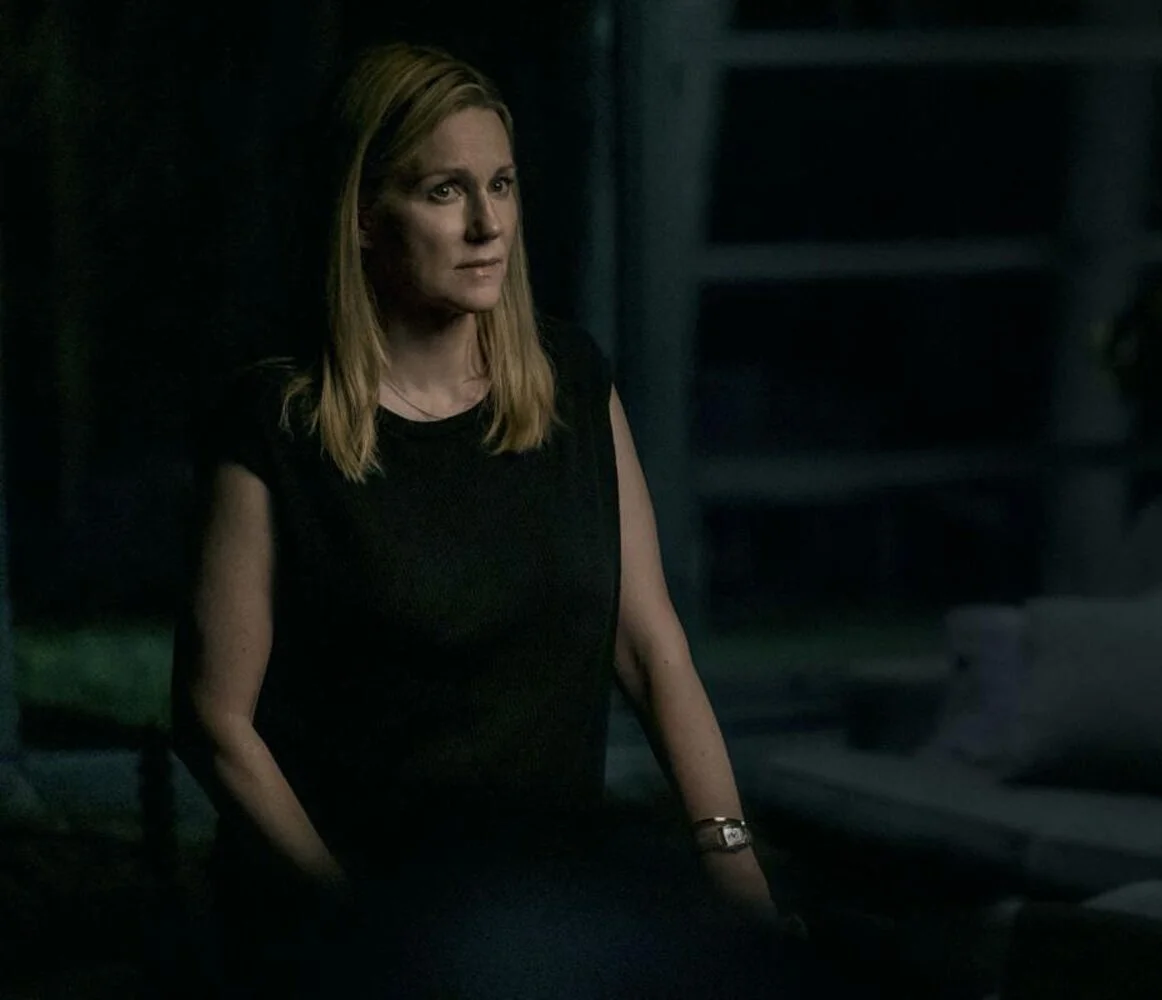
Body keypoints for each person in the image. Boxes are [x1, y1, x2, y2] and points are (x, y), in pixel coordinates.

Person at [171, 41, 778, 996]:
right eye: (445, 191)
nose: (489, 225)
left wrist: (729, 855)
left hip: (545, 922)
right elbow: (214, 722)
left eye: (501, 184)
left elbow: (649, 643)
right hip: (346, 931)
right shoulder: (280, 426)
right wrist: (353, 924)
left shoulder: (570, 384)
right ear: (363, 215)